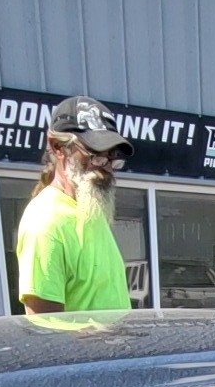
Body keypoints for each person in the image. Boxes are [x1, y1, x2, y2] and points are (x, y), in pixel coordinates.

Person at [14, 95, 135, 314]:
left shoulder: (90, 209)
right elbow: (47, 333)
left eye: (111, 157)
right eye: (94, 155)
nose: (106, 168)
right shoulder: (46, 224)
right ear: (58, 147)